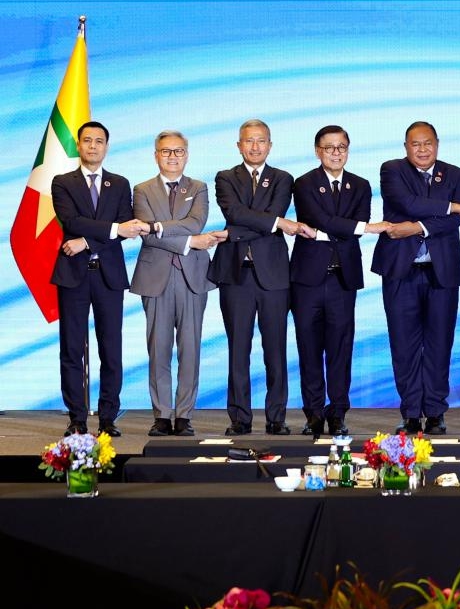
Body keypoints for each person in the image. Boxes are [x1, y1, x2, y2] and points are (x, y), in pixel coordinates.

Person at [371, 121, 460, 435]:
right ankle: (410, 413)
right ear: (406, 147)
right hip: (400, 271)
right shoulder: (392, 170)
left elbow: (453, 222)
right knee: (403, 345)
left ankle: (434, 412)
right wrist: (453, 206)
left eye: (427, 143)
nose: (422, 149)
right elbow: (408, 204)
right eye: (415, 144)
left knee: (439, 344)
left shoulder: (455, 174)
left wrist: (418, 227)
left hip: (441, 271)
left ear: (437, 143)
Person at [290, 125, 389, 438]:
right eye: (329, 147)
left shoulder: (360, 185)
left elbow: (342, 226)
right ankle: (313, 414)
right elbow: (321, 219)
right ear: (318, 150)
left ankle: (338, 413)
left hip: (342, 279)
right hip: (307, 280)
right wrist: (362, 227)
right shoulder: (304, 183)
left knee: (340, 348)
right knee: (308, 347)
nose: (336, 153)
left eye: (341, 147)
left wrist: (344, 229)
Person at [51, 121, 149, 436]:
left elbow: (127, 226)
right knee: (72, 348)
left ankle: (108, 417)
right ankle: (77, 418)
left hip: (108, 275)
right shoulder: (61, 182)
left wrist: (86, 242)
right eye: (87, 140)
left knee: (111, 347)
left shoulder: (119, 184)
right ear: (78, 146)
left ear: (107, 146)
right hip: (73, 276)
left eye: (99, 141)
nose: (93, 146)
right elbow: (72, 220)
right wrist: (110, 231)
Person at [208, 119, 300, 436]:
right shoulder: (225, 178)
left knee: (275, 349)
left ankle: (277, 417)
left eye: (261, 141)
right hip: (235, 275)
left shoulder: (283, 179)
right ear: (239, 145)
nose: (255, 146)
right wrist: (275, 223)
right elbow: (235, 212)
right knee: (238, 349)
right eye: (249, 141)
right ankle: (240, 418)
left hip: (273, 276)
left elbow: (258, 216)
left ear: (270, 145)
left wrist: (232, 233)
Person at [131, 130, 225, 437]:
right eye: (166, 151)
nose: (173, 156)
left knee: (190, 348)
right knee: (158, 349)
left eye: (179, 151)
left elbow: (195, 222)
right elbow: (145, 234)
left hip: (192, 278)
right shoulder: (142, 190)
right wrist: (189, 242)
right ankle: (162, 415)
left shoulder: (198, 187)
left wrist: (159, 227)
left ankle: (184, 415)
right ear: (156, 155)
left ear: (187, 154)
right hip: (155, 277)